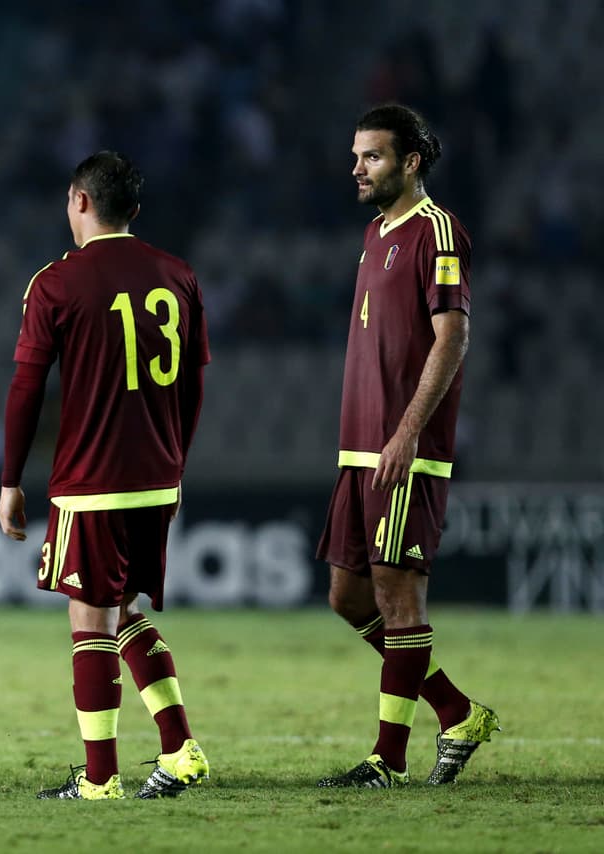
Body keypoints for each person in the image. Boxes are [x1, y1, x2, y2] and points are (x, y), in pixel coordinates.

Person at [0, 151, 211, 801]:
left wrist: (10, 480)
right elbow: (195, 383)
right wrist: (176, 462)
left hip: (94, 477)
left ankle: (99, 779)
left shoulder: (57, 283)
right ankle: (179, 748)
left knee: (89, 621)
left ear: (79, 201)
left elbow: (26, 389)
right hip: (156, 474)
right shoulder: (178, 275)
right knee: (123, 611)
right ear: (135, 212)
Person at [316, 104, 499, 788]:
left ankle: (387, 759)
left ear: (410, 162)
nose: (356, 168)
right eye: (356, 155)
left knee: (399, 601)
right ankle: (456, 711)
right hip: (358, 448)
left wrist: (407, 432)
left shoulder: (438, 232)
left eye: (372, 157)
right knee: (347, 597)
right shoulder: (375, 233)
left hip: (404, 450)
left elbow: (452, 337)